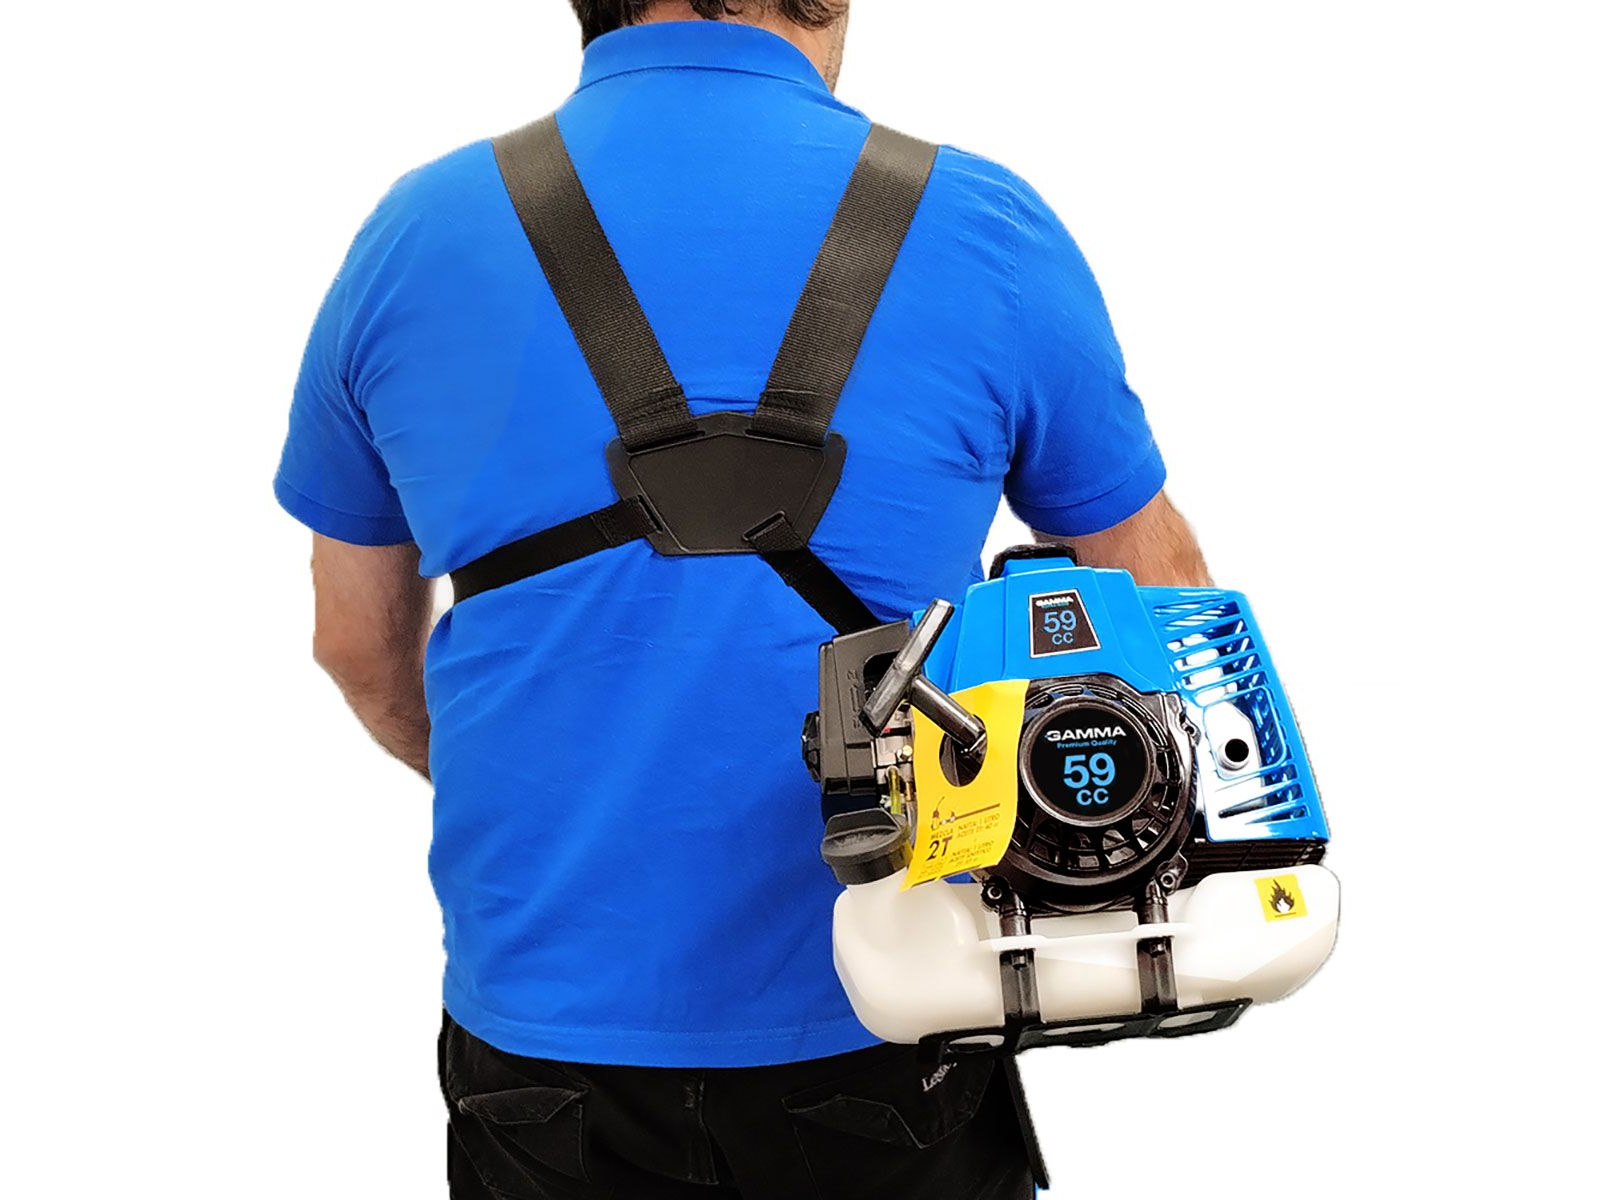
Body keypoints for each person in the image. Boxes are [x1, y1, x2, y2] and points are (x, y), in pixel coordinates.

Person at [274, 1, 1211, 1196]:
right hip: (896, 998)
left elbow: (354, 642)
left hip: (544, 1028)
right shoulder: (983, 224)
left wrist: (565, 799)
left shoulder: (414, 238)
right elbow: (1162, 603)